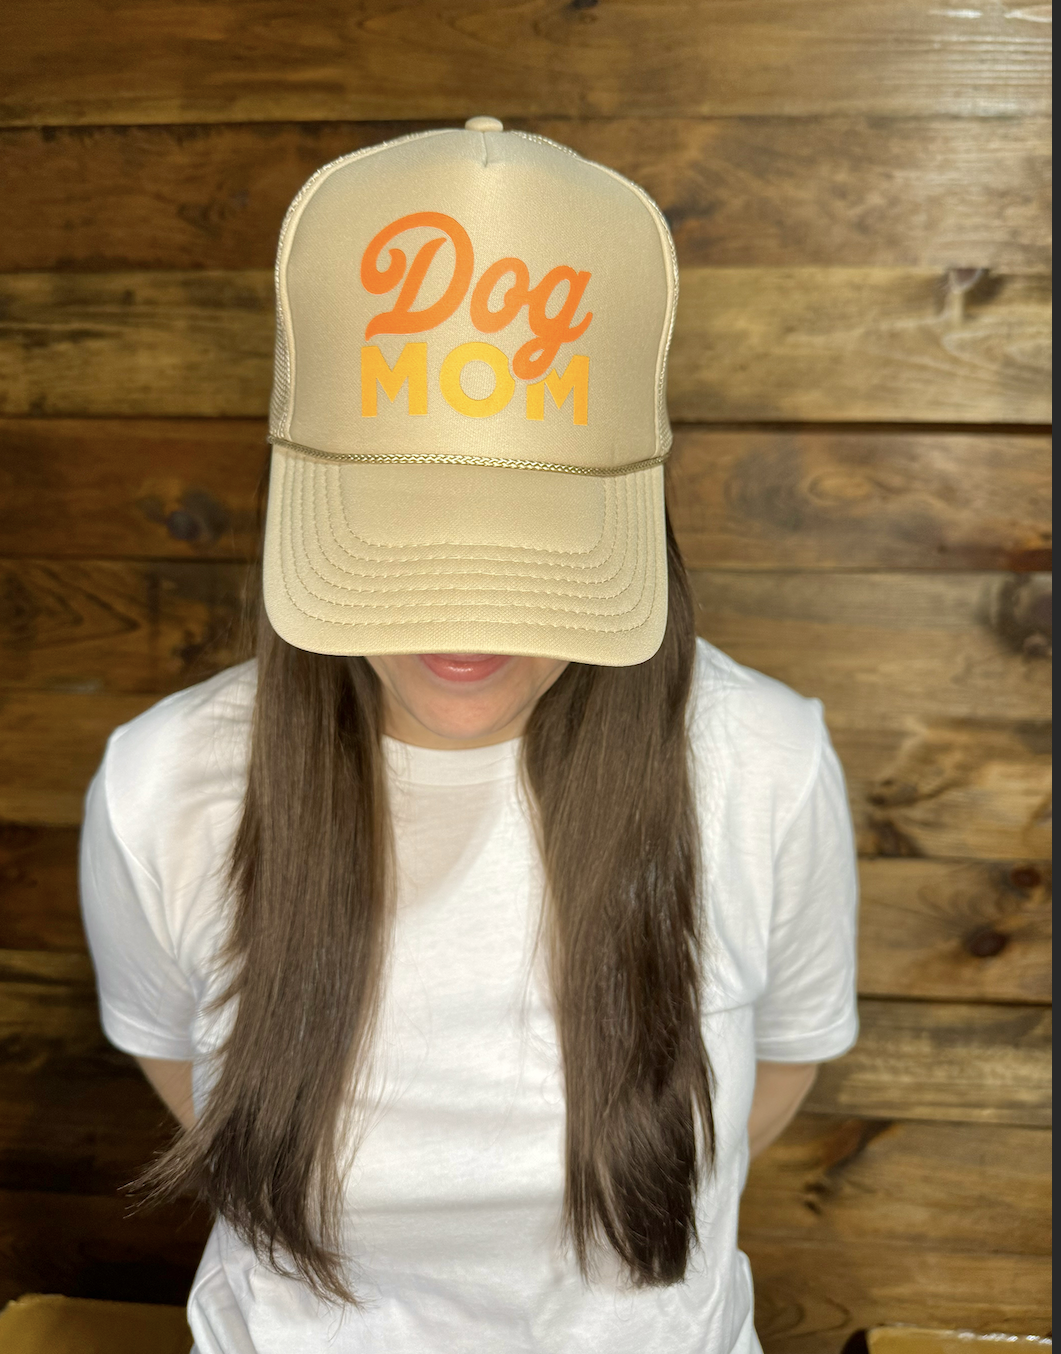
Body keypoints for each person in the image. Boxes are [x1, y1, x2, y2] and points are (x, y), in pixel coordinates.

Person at [80, 118, 859, 1354]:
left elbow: (781, 1072)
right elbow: (183, 1070)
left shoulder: (763, 763)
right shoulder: (162, 784)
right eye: (406, 536)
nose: (464, 619)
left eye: (526, 546)